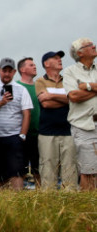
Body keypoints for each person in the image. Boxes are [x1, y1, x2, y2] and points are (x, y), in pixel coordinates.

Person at [0, 57, 33, 190]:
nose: (7, 74)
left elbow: (27, 114)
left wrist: (22, 135)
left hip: (14, 137)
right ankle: (0, 205)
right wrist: (1, 102)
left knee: (17, 172)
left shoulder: (21, 89)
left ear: (14, 72)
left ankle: (18, 202)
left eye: (9, 71)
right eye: (4, 70)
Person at [35, 50, 78, 189]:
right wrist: (66, 99)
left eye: (60, 57)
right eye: (55, 58)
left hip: (69, 131)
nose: (59, 59)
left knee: (70, 168)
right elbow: (45, 103)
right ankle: (48, 200)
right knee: (48, 167)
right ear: (46, 63)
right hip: (47, 132)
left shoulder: (68, 80)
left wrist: (52, 95)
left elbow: (74, 100)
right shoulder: (40, 81)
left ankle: (70, 201)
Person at [63, 38, 97, 190]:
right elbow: (74, 97)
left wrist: (87, 86)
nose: (94, 46)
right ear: (80, 53)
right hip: (84, 126)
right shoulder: (70, 72)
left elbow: (79, 93)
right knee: (88, 171)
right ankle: (87, 207)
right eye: (89, 45)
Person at [16, 57, 41, 186]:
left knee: (38, 167)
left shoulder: (39, 86)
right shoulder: (17, 86)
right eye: (31, 65)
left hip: (39, 133)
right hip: (21, 134)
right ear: (22, 69)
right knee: (21, 167)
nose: (35, 66)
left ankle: (40, 194)